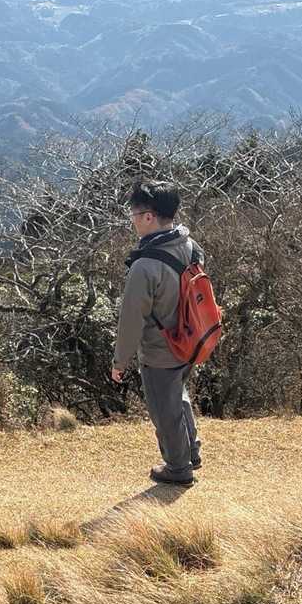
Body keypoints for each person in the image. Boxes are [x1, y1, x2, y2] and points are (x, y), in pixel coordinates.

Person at [112, 179, 203, 487]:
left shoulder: (145, 265)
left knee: (165, 410)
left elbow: (131, 318)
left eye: (134, 215)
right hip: (191, 340)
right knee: (178, 395)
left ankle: (178, 468)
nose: (133, 221)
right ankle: (191, 451)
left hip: (160, 349)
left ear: (149, 216)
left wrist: (120, 361)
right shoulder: (189, 246)